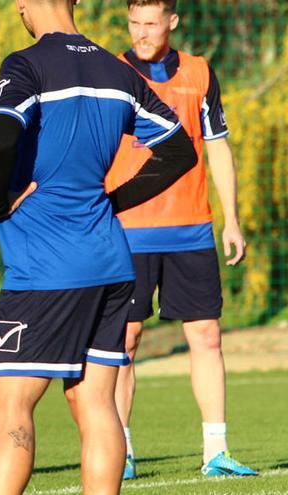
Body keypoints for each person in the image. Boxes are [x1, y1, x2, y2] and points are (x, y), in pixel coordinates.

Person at [0, 1, 198, 493]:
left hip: (45, 270)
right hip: (110, 264)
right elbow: (180, 149)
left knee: (8, 406)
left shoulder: (26, 64)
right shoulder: (114, 70)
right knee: (95, 403)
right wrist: (111, 200)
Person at [104, 0, 257, 480]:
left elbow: (217, 145)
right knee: (123, 342)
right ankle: (120, 454)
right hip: (126, 231)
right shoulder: (109, 72)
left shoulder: (198, 72)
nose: (141, 32)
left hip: (191, 230)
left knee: (207, 336)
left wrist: (230, 220)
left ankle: (216, 451)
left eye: (150, 23)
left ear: (172, 22)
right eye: (134, 23)